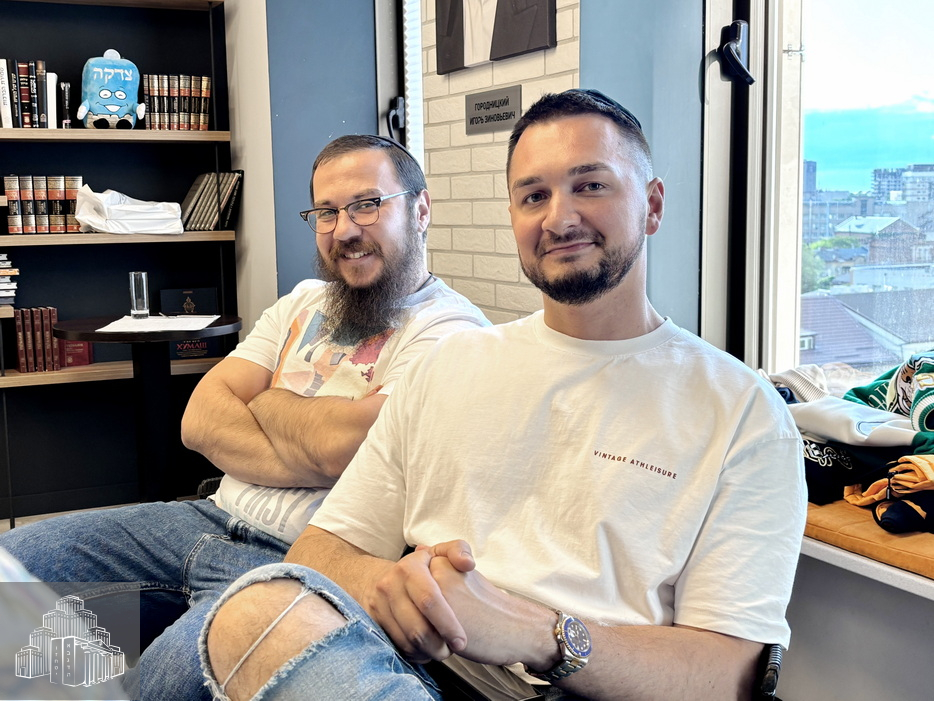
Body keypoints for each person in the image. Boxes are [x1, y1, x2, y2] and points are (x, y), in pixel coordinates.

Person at [200, 89, 807, 701]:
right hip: (408, 668)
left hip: (586, 690)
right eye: (534, 196)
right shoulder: (451, 364)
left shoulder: (741, 410)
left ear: (652, 205)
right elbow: (323, 552)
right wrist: (398, 589)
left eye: (591, 186)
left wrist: (534, 632)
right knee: (247, 617)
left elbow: (728, 676)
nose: (559, 219)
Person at [0, 134, 490, 701]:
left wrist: (264, 401)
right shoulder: (303, 301)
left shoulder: (450, 332)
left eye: (366, 205)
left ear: (421, 209)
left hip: (302, 558)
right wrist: (314, 442)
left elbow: (343, 448)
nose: (343, 230)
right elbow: (200, 421)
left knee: (162, 680)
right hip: (206, 517)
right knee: (14, 571)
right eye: (326, 212)